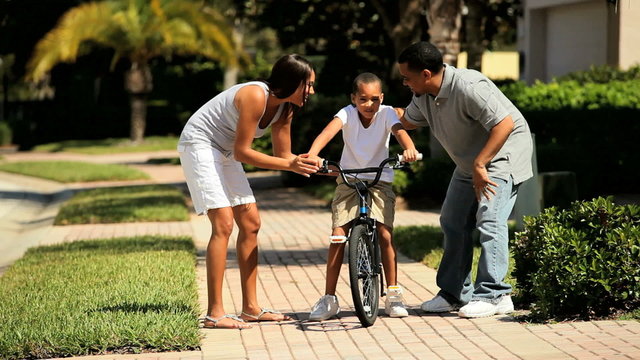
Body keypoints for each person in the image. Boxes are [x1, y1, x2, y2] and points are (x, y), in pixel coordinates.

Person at [177, 54, 319, 329]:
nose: (312, 91)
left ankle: (251, 309)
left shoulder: (286, 108)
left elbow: (283, 155)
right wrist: (290, 163)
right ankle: (214, 314)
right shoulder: (255, 95)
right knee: (223, 224)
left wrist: (311, 165)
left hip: (226, 149)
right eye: (308, 84)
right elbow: (244, 152)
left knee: (251, 223)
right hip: (200, 143)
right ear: (292, 82)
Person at [396, 42, 533, 318]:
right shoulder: (423, 95)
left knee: (489, 218)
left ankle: (495, 295)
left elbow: (504, 124)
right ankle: (455, 294)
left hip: (503, 154)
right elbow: (407, 120)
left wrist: (481, 163)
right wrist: (371, 109)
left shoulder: (469, 85)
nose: (404, 83)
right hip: (472, 162)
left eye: (407, 77)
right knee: (452, 220)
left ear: (425, 74)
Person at [306, 72, 420, 321]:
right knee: (337, 236)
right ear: (354, 98)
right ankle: (329, 298)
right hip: (350, 179)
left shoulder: (388, 113)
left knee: (385, 233)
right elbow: (328, 133)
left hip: (380, 181)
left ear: (382, 98)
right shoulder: (346, 113)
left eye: (374, 99)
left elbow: (400, 132)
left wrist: (409, 148)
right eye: (363, 99)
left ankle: (393, 294)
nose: (369, 105)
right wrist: (314, 153)